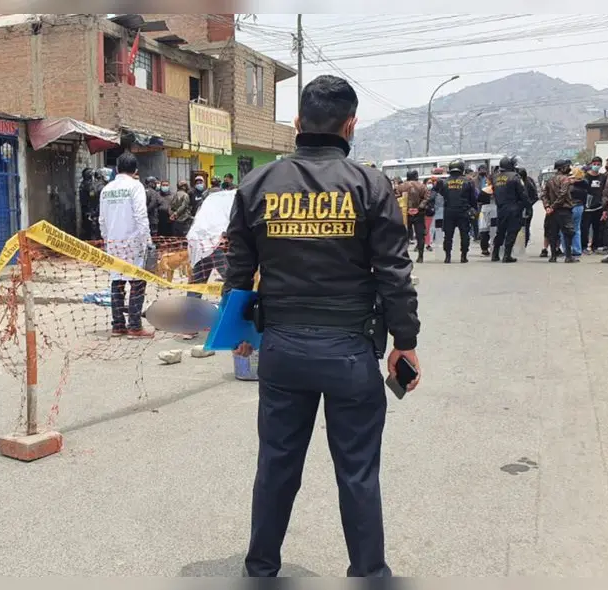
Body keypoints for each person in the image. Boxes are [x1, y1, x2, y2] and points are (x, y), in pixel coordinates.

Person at [226, 75, 420, 578]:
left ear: (297, 123)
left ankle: (261, 571)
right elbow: (394, 275)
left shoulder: (257, 185)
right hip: (351, 353)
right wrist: (405, 343)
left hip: (283, 351)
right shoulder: (371, 185)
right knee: (357, 473)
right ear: (350, 124)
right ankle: (369, 574)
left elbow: (238, 275)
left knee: (276, 467)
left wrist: (239, 336)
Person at [99, 152, 154, 338]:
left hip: (113, 242)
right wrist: (147, 241)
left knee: (117, 281)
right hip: (133, 241)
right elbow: (140, 215)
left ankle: (118, 325)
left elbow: (102, 219)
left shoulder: (106, 189)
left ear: (116, 169)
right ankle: (135, 326)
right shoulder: (135, 186)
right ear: (136, 170)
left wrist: (107, 240)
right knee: (138, 281)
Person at [435, 158, 476, 263]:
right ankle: (464, 256)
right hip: (463, 211)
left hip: (449, 211)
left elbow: (441, 194)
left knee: (448, 235)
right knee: (464, 234)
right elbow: (473, 199)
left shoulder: (444, 182)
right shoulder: (468, 182)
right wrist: (473, 210)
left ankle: (447, 256)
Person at [490, 156, 529, 263]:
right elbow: (523, 194)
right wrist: (528, 207)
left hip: (501, 208)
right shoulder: (515, 177)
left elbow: (493, 192)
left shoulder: (495, 177)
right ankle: (507, 255)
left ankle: (495, 254)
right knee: (512, 232)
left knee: (500, 231)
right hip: (513, 208)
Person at [541, 159, 578, 263]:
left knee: (553, 233)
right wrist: (552, 206)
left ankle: (553, 256)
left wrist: (548, 207)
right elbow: (563, 194)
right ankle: (568, 256)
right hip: (564, 210)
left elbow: (544, 195)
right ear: (563, 168)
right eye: (567, 166)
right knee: (568, 233)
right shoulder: (565, 180)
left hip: (552, 212)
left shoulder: (550, 180)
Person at [397, 170, 430, 263]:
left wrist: (405, 208)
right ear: (416, 176)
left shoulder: (401, 186)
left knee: (404, 236)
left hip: (404, 214)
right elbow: (427, 198)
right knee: (420, 235)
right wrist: (419, 208)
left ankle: (404, 256)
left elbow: (396, 198)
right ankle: (420, 256)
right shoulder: (422, 186)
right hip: (419, 213)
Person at [561, 165, 588, 258]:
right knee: (576, 229)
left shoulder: (570, 185)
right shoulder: (584, 184)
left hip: (570, 207)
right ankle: (577, 249)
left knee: (564, 229)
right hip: (580, 207)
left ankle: (566, 250)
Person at [582, 158, 605, 254]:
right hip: (587, 208)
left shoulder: (603, 177)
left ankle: (595, 246)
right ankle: (584, 246)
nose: (596, 165)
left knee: (597, 228)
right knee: (585, 228)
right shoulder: (585, 177)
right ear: (591, 164)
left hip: (598, 206)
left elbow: (605, 190)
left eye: (598, 164)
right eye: (594, 163)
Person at [518, 166, 539, 250]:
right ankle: (519, 244)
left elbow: (535, 197)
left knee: (526, 227)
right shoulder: (517, 182)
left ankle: (524, 244)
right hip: (519, 208)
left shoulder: (528, 183)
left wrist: (528, 205)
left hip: (527, 209)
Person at [477, 169, 496, 257]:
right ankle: (494, 246)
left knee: (484, 230)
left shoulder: (484, 190)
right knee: (494, 229)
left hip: (484, 210)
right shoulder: (497, 189)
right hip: (496, 209)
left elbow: (479, 200)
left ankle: (484, 248)